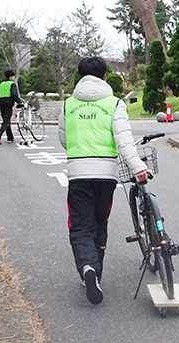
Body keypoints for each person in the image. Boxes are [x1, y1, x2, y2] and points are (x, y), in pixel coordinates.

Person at [58, 57, 149, 305]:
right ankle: (95, 271)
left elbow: (64, 141)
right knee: (100, 221)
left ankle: (87, 269)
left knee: (80, 225)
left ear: (80, 76)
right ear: (105, 77)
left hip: (79, 174)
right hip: (106, 176)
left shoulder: (68, 105)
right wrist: (138, 167)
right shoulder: (114, 103)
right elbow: (124, 140)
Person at [0, 70, 22, 145]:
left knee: (6, 121)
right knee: (6, 121)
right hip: (8, 103)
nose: (14, 78)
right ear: (11, 77)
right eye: (13, 76)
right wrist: (19, 102)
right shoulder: (12, 84)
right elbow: (14, 95)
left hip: (1, 103)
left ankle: (10, 137)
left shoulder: (2, 84)